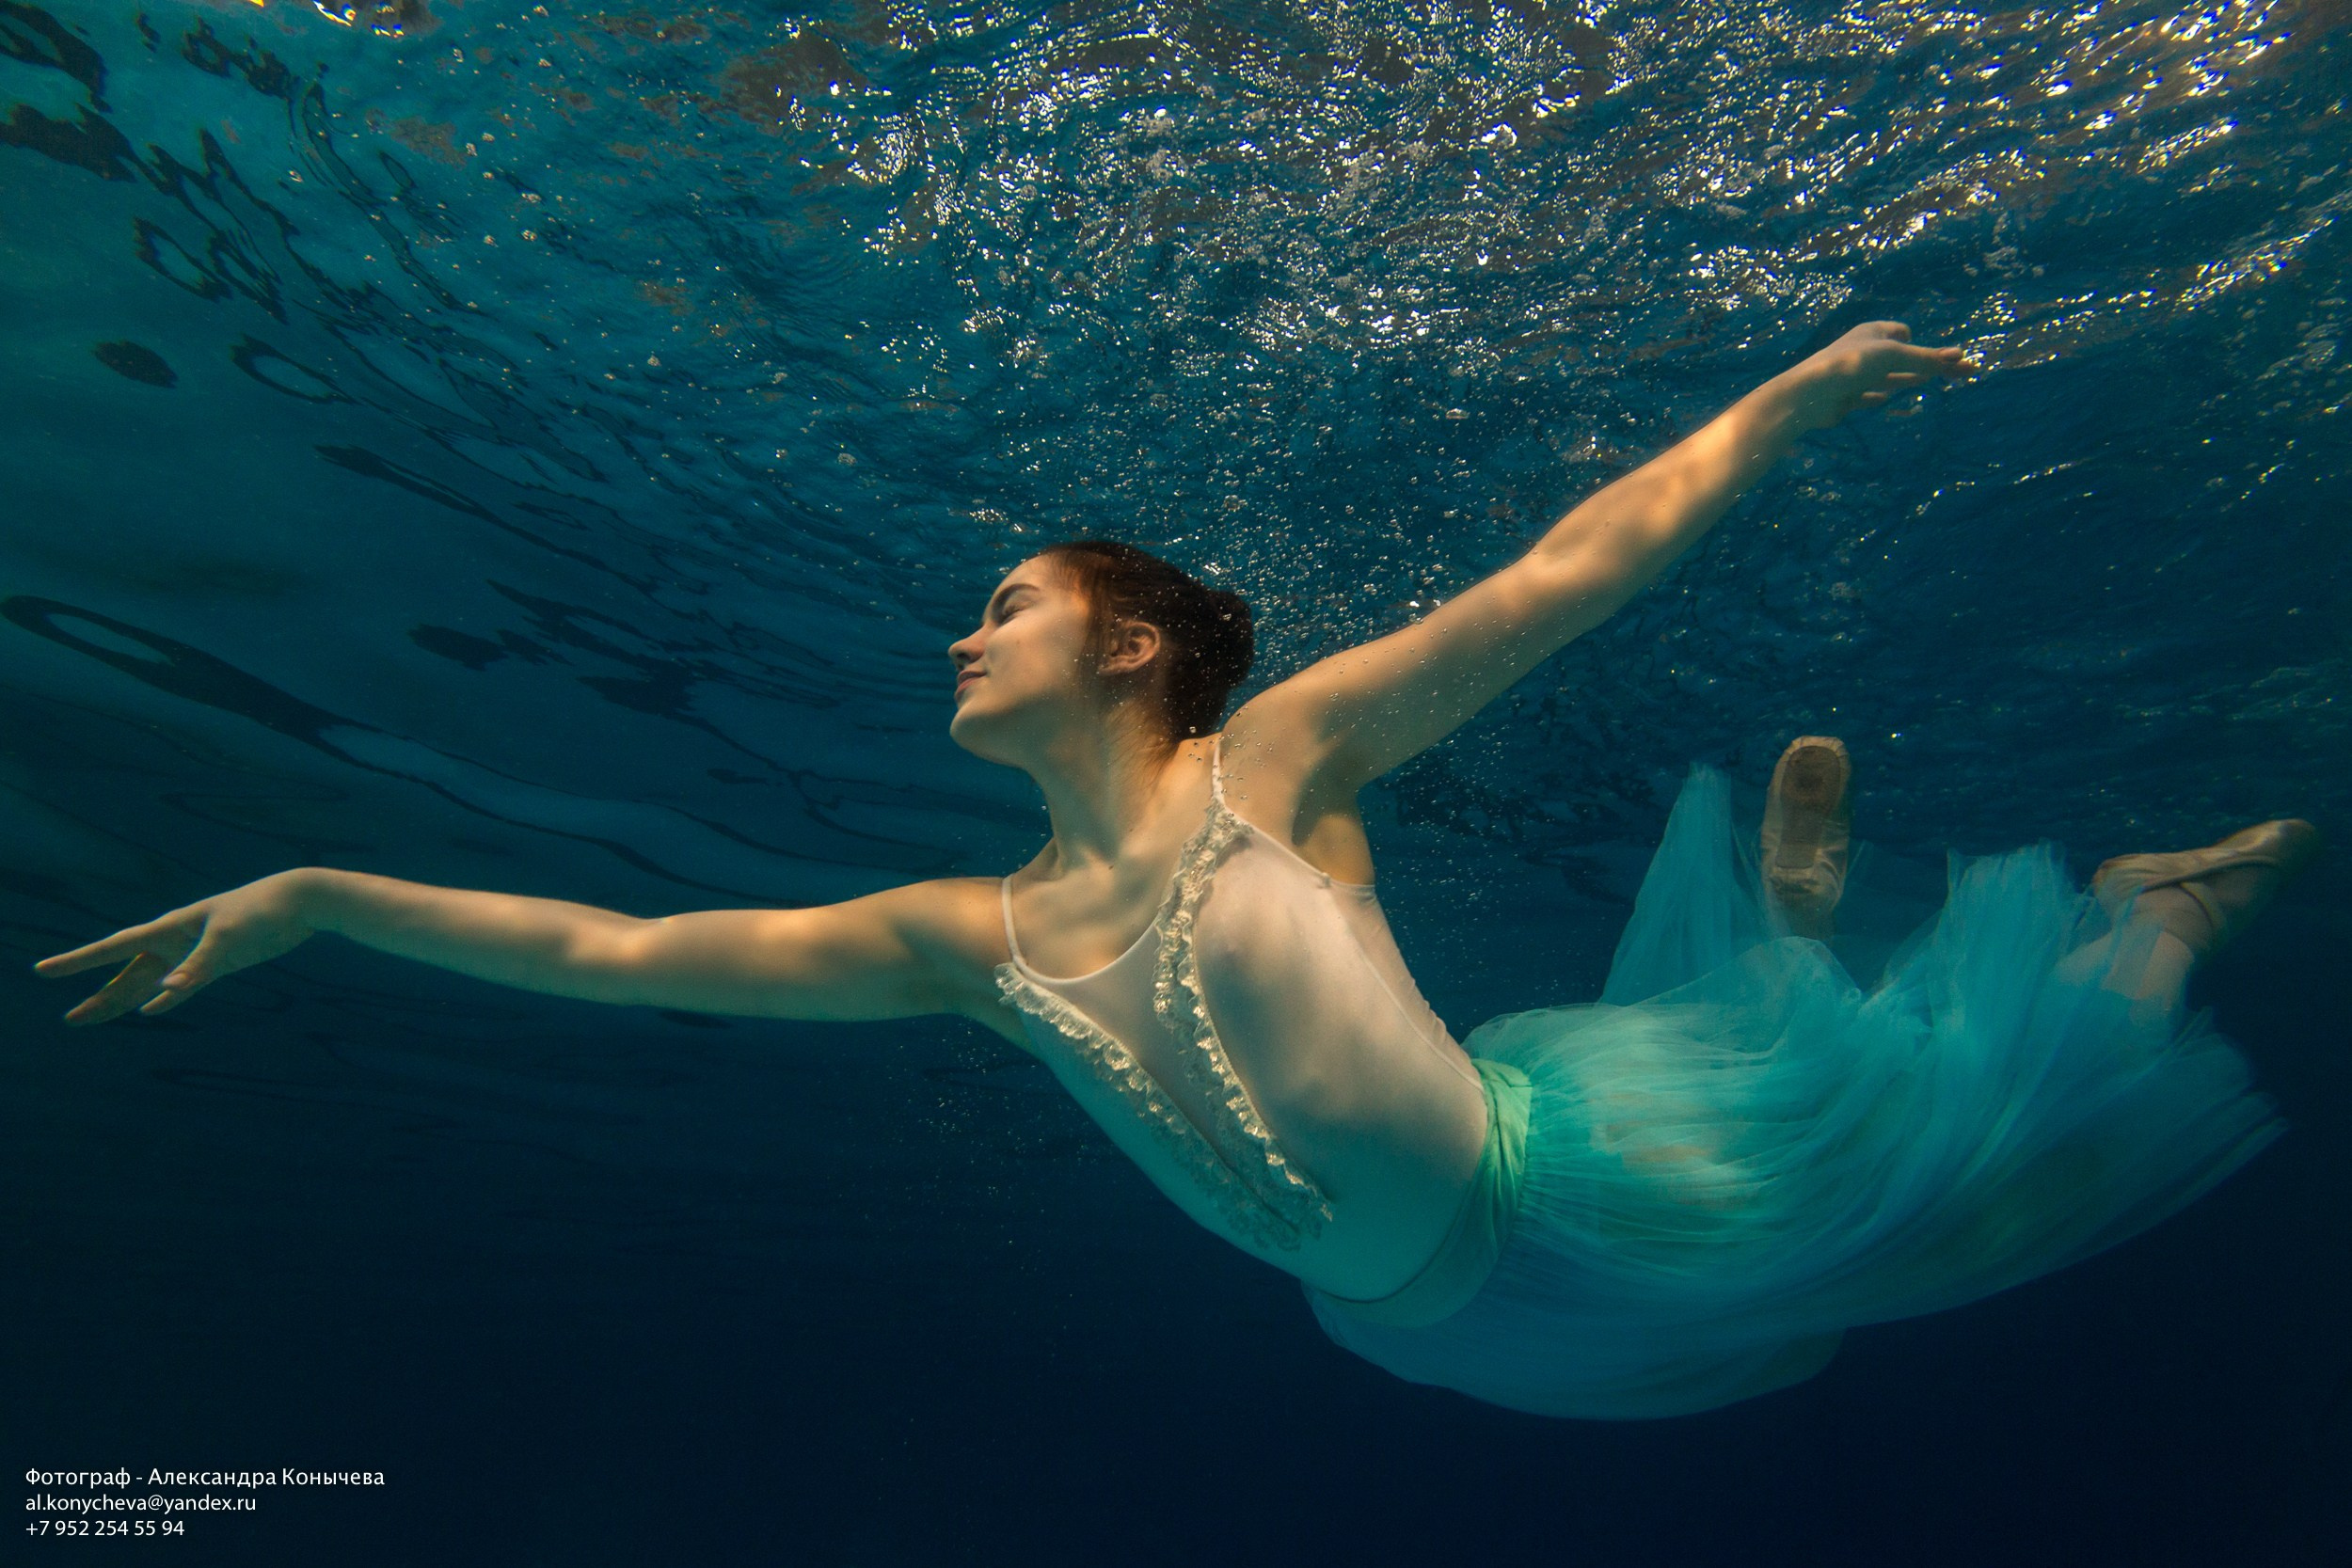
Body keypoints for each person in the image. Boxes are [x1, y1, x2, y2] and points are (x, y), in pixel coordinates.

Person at [34, 323, 2319, 1419]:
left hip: (1562, 1192)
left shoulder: (1274, 745)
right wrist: (320, 894)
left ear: (1127, 643)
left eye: (1003, 606)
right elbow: (622, 948)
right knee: (1814, 1282)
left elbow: (1558, 576)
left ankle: (2146, 909)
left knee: (1966, 1183)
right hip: (1427, 1323)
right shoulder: (963, 937)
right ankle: (1788, 963)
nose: (960, 636)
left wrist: (1779, 405)